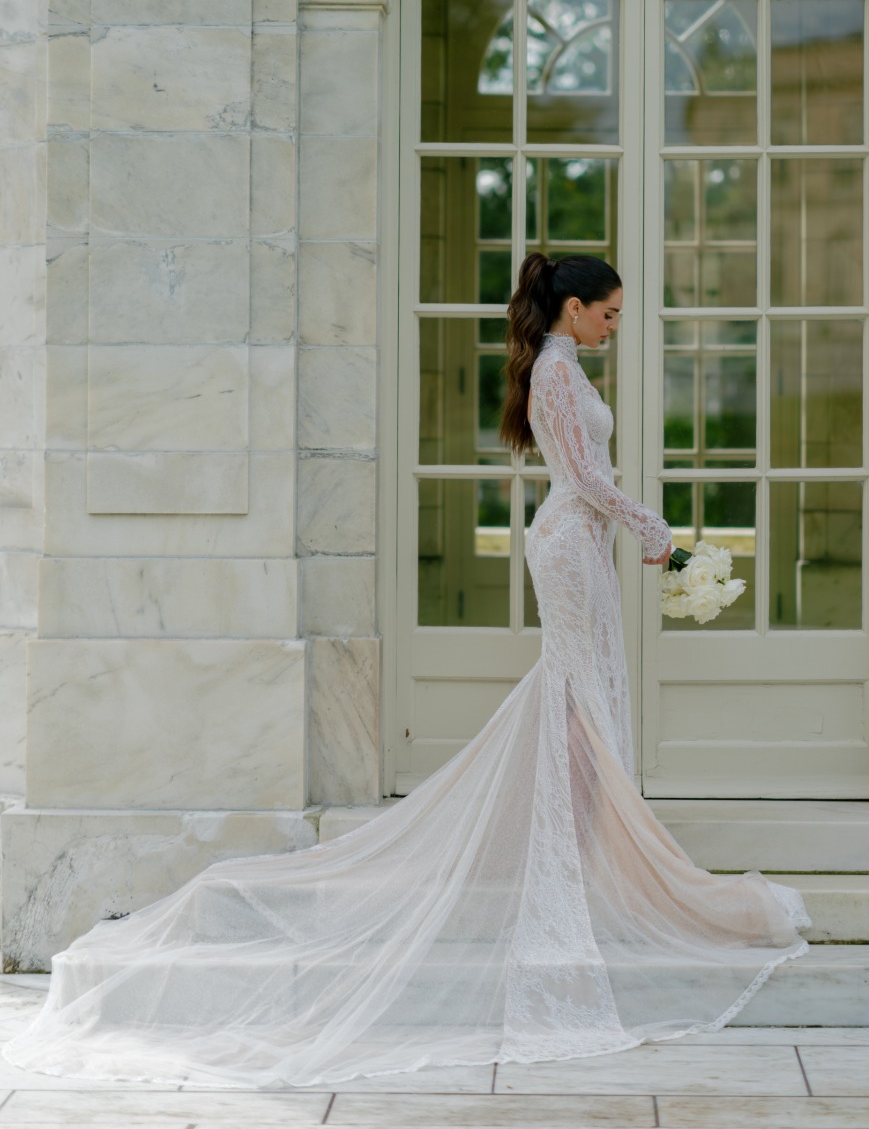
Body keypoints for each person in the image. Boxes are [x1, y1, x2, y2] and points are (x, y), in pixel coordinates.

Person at [3, 252, 809, 1088]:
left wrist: (641, 534)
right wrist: (658, 532)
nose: (614, 325)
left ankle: (578, 864)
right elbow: (587, 480)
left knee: (577, 700)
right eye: (607, 312)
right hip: (572, 545)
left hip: (580, 545)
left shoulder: (563, 368)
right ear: (572, 309)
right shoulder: (559, 377)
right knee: (578, 698)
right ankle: (571, 872)